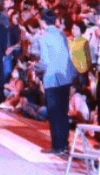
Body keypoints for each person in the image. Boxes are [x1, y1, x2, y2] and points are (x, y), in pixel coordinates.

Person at [36, 9, 76, 156]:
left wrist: (35, 67)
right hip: (65, 77)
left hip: (52, 79)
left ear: (42, 21)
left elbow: (45, 62)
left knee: (54, 113)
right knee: (63, 112)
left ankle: (57, 146)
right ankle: (64, 144)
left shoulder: (44, 37)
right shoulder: (62, 35)